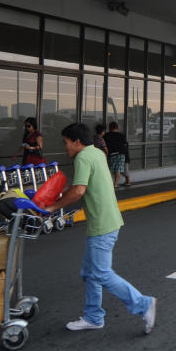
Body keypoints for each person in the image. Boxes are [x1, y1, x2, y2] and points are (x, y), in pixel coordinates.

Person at [44, 123, 156, 334]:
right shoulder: (95, 153)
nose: (65, 147)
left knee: (102, 274)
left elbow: (78, 190)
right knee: (90, 273)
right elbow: (80, 187)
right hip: (106, 221)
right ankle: (94, 316)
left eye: (66, 143)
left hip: (102, 225)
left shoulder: (83, 157)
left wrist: (53, 207)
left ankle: (143, 304)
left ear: (77, 142)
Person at [106, 121, 132, 187]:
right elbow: (126, 145)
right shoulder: (122, 135)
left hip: (111, 155)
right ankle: (116, 184)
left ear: (110, 127)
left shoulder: (107, 135)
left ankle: (108, 184)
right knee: (118, 169)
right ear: (117, 127)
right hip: (121, 155)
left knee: (110, 169)